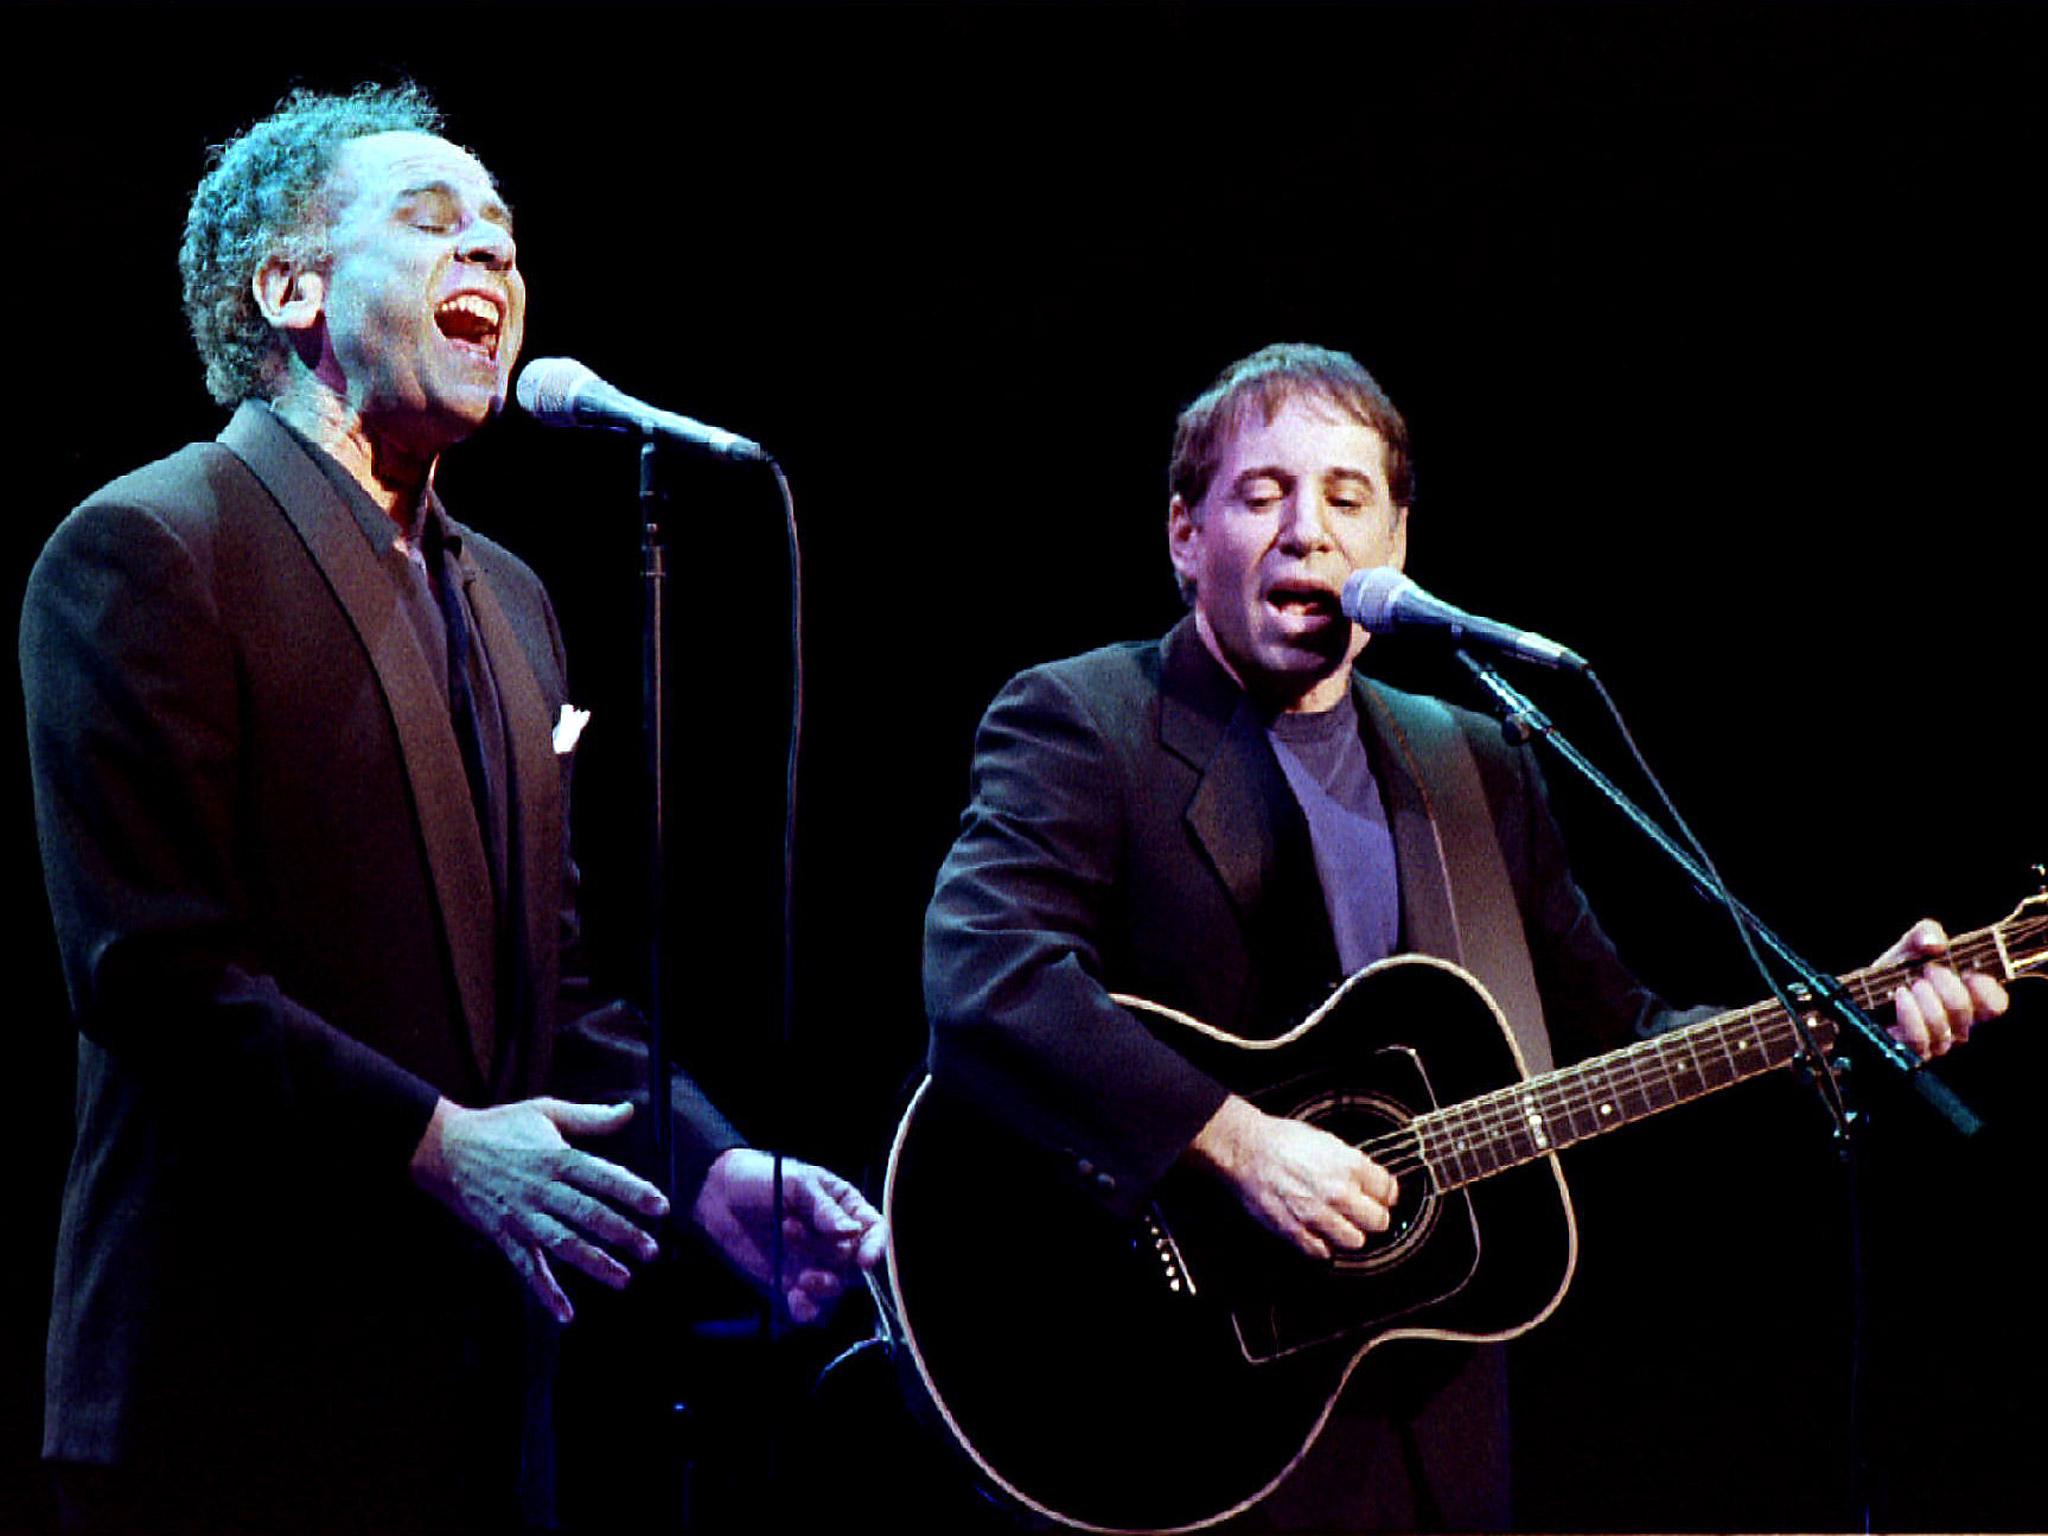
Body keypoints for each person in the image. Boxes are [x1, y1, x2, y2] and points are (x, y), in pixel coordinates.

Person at [918, 341, 2006, 1531]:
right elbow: (987, 976)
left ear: (1394, 549)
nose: (1305, 532)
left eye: (1345, 498)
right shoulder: (1087, 720)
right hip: (1168, 1401)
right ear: (1184, 537)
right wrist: (1234, 1142)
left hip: (1433, 1426)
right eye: (1261, 494)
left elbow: (1622, 1039)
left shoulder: (1474, 761)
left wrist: (1851, 1023)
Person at [20, 84, 884, 1536]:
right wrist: (433, 1141)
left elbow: (550, 990)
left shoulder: (514, 602)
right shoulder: (154, 547)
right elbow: (151, 974)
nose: (490, 256)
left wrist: (709, 1163)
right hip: (228, 1389)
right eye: (432, 225)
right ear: (288, 289)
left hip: (479, 1398)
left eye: (503, 234)